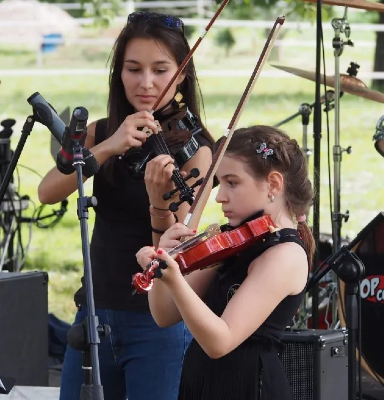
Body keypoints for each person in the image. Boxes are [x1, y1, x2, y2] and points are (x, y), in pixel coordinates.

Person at [38, 11, 214, 400]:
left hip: (157, 322)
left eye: (160, 69)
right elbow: (47, 191)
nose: (146, 83)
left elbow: (178, 240)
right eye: (133, 69)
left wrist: (158, 204)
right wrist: (108, 146)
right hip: (94, 313)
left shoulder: (197, 149)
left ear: (182, 74)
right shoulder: (104, 131)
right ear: (119, 72)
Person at [136, 125, 315, 400]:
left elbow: (221, 341)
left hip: (247, 388)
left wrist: (175, 280)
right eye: (220, 183)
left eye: (232, 182)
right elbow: (164, 315)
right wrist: (163, 260)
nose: (219, 196)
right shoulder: (233, 240)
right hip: (205, 384)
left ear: (274, 184)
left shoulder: (284, 255)